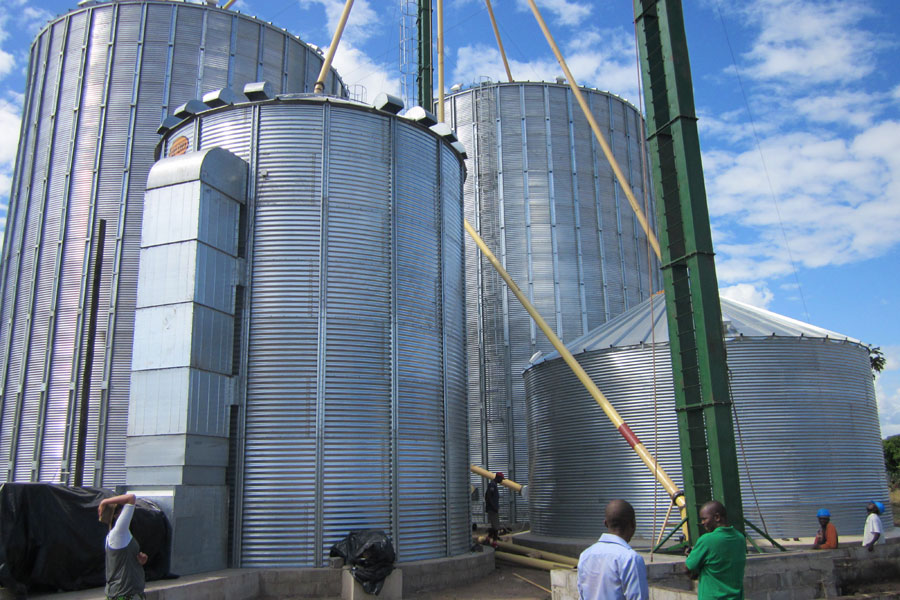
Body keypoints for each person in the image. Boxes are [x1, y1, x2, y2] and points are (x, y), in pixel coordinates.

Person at [577, 499, 649, 600]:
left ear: (606, 524)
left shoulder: (585, 555)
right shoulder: (630, 559)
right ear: (633, 524)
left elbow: (582, 596)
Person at [684, 500, 746, 600]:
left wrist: (692, 558)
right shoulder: (740, 538)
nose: (702, 523)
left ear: (717, 517)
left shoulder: (706, 540)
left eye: (704, 519)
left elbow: (689, 569)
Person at [98, 493, 148, 600]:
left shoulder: (119, 536)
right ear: (117, 515)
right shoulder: (119, 532)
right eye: (122, 509)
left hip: (125, 593)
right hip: (125, 595)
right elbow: (131, 498)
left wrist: (139, 561)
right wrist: (105, 502)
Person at [485, 472, 503, 542]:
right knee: (495, 526)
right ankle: (495, 541)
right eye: (501, 479)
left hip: (493, 508)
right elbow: (488, 497)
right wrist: (493, 507)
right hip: (492, 509)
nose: (502, 480)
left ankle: (489, 538)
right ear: (498, 477)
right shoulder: (492, 485)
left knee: (495, 525)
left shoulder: (494, 484)